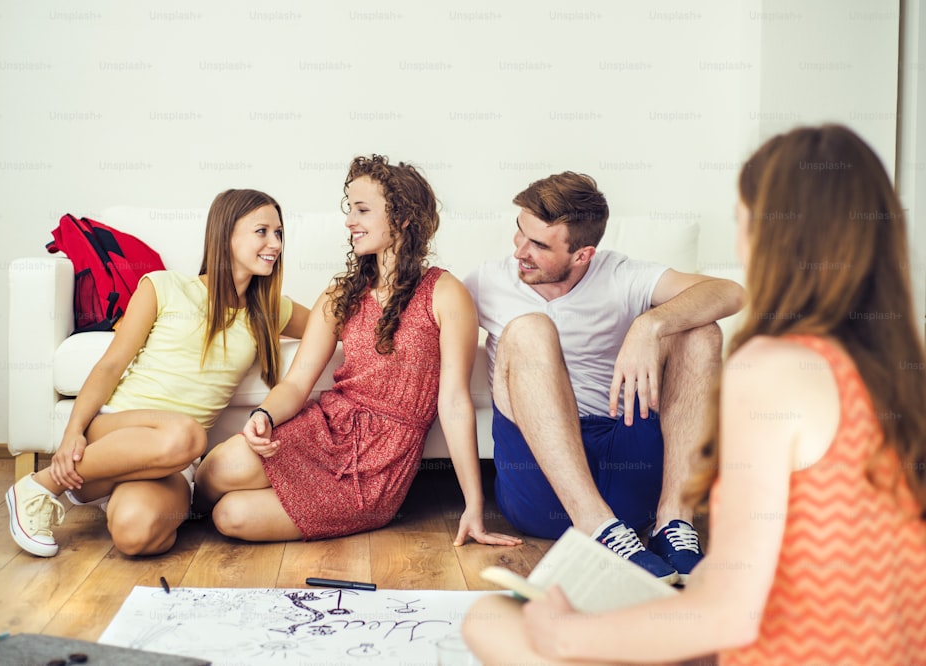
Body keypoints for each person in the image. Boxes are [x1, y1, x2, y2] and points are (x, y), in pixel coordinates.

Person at [462, 124, 926, 664]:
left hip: (772, 645)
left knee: (491, 619)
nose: (738, 235)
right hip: (882, 648)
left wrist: (566, 635)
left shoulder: (770, 369)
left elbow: (731, 613)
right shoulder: (900, 371)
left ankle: (668, 526)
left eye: (742, 217)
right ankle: (611, 535)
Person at [193, 155, 522, 548]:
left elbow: (453, 401)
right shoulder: (340, 295)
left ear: (403, 218)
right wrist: (263, 415)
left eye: (363, 210)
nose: (350, 221)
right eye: (350, 209)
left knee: (231, 516)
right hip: (327, 428)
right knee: (216, 468)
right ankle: (175, 509)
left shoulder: (444, 292)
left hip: (380, 464)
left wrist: (473, 506)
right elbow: (297, 383)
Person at [463, 172, 743, 583]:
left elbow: (731, 293)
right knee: (529, 328)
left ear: (583, 255)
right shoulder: (487, 282)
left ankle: (674, 524)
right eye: (520, 234)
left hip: (625, 463)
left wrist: (649, 326)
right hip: (542, 485)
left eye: (539, 245)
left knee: (701, 330)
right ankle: (597, 527)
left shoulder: (620, 275)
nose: (520, 251)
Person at [6, 189, 309, 557]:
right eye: (262, 231)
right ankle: (39, 486)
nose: (274, 243)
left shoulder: (269, 309)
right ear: (225, 234)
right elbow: (110, 365)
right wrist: (73, 432)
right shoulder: (163, 285)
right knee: (186, 432)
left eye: (279, 233)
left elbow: (334, 324)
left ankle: (125, 487)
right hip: (117, 427)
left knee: (135, 536)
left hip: (175, 461)